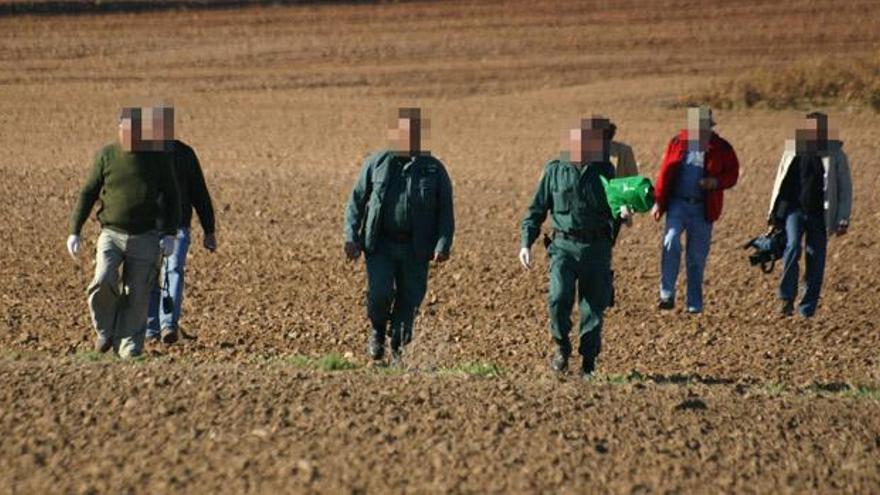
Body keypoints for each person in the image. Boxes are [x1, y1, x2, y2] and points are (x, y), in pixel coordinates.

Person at [343, 107, 454, 366]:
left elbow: (446, 211)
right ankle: (378, 330)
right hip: (380, 245)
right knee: (379, 294)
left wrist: (443, 243)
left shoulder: (433, 170)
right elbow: (356, 202)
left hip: (416, 249)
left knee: (409, 300)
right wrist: (351, 237)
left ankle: (398, 352)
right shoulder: (376, 163)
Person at [67, 108, 180, 358]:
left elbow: (173, 197)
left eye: (135, 132)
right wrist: (74, 230)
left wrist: (170, 233)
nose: (130, 136)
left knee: (138, 294)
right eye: (126, 130)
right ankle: (106, 330)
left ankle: (129, 347)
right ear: (119, 130)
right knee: (103, 279)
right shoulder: (107, 156)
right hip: (111, 233)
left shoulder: (157, 159)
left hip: (146, 236)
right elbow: (88, 192)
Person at [519, 117, 617, 378]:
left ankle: (588, 362)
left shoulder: (605, 171)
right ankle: (562, 347)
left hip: (596, 248)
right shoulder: (554, 171)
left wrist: (623, 213)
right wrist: (526, 243)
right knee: (558, 297)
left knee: (593, 308)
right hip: (563, 245)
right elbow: (536, 209)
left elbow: (616, 211)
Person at [651, 107, 739, 314]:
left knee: (696, 258)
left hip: (703, 208)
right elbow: (665, 173)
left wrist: (716, 182)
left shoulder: (722, 147)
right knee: (670, 241)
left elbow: (732, 174)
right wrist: (658, 203)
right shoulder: (677, 143)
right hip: (677, 204)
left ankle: (694, 305)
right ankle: (666, 294)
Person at [144, 104, 217, 344]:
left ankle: (168, 325)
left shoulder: (184, 154)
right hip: (148, 226)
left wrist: (209, 230)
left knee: (173, 271)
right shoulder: (142, 156)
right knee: (150, 276)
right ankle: (151, 329)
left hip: (178, 226)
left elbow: (199, 191)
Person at [767, 112, 852, 317]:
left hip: (820, 214)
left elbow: (845, 188)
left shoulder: (836, 154)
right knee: (792, 247)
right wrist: (773, 214)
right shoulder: (793, 150)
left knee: (816, 258)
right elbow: (780, 183)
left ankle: (807, 307)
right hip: (794, 211)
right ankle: (786, 298)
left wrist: (843, 218)